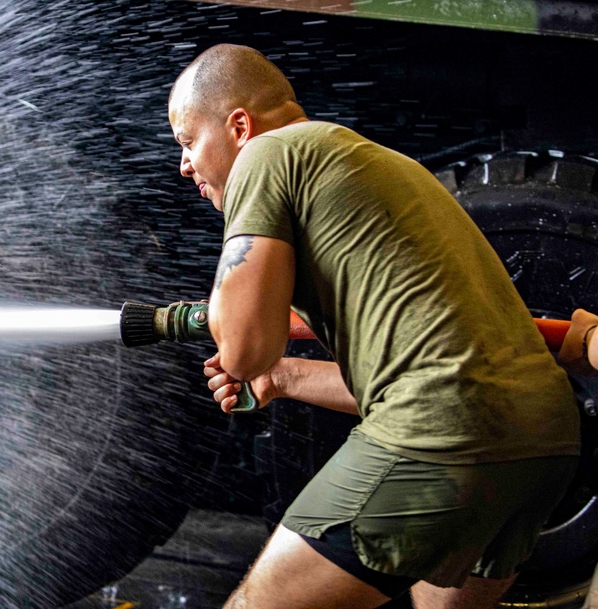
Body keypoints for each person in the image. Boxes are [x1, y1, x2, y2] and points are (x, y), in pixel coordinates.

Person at [169, 43, 587, 609]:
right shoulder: (385, 166)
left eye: (189, 142)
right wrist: (285, 377)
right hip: (543, 439)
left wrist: (230, 313)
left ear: (239, 125)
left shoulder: (267, 155)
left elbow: (243, 349)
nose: (185, 165)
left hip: (443, 434)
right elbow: (430, 367)